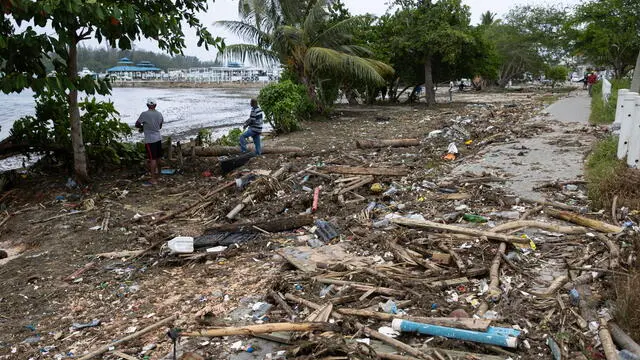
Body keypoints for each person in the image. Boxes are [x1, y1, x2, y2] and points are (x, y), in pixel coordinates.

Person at [135, 98, 164, 185]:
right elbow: (160, 126)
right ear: (155, 105)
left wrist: (143, 127)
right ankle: (159, 175)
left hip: (150, 140)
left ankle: (153, 179)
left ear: (147, 105)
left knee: (152, 159)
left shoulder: (144, 114)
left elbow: (137, 124)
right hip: (158, 138)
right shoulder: (159, 114)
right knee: (158, 157)